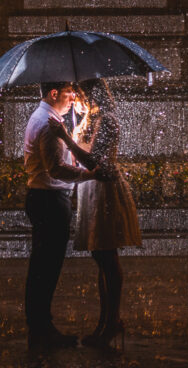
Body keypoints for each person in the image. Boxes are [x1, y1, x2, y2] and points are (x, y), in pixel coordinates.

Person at [49, 78, 141, 348]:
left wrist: (66, 136)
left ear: (90, 93)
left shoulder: (108, 120)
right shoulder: (89, 118)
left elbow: (94, 161)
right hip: (90, 189)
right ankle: (105, 321)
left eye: (78, 93)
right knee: (99, 255)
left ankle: (112, 320)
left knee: (107, 257)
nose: (74, 98)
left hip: (104, 191)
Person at [23, 80, 102, 349]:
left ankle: (40, 325)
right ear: (54, 93)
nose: (73, 97)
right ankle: (42, 329)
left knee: (42, 266)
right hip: (49, 199)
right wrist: (89, 174)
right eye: (69, 92)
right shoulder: (47, 124)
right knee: (46, 267)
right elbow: (56, 169)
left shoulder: (48, 117)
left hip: (44, 197)